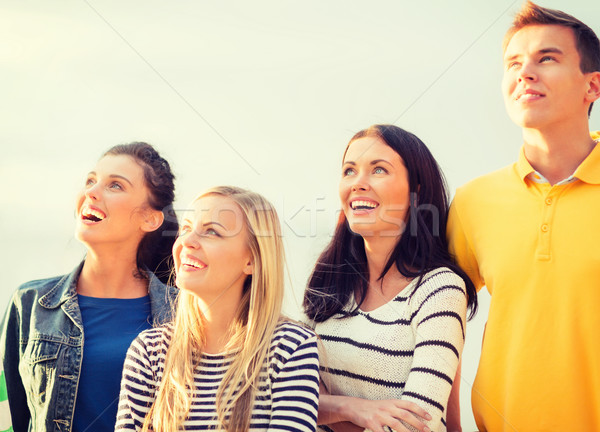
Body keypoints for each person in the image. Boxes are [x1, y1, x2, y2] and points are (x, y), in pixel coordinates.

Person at [447, 2, 600, 431]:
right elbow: (439, 324)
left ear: (593, 86)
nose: (525, 73)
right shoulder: (473, 201)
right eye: (514, 63)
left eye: (546, 58)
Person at [303, 125, 478, 432]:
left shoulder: (440, 289)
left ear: (417, 191)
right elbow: (287, 398)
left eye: (379, 170)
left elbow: (415, 423)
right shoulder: (331, 282)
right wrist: (353, 409)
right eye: (349, 171)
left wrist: (325, 409)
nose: (358, 183)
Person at [0, 142, 179, 432]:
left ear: (150, 218)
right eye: (91, 180)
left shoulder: (184, 314)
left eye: (115, 186)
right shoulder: (29, 303)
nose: (91, 192)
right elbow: (5, 419)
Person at [116, 186, 320, 431]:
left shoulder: (291, 347)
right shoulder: (149, 353)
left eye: (211, 232)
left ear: (252, 260)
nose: (187, 242)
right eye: (186, 229)